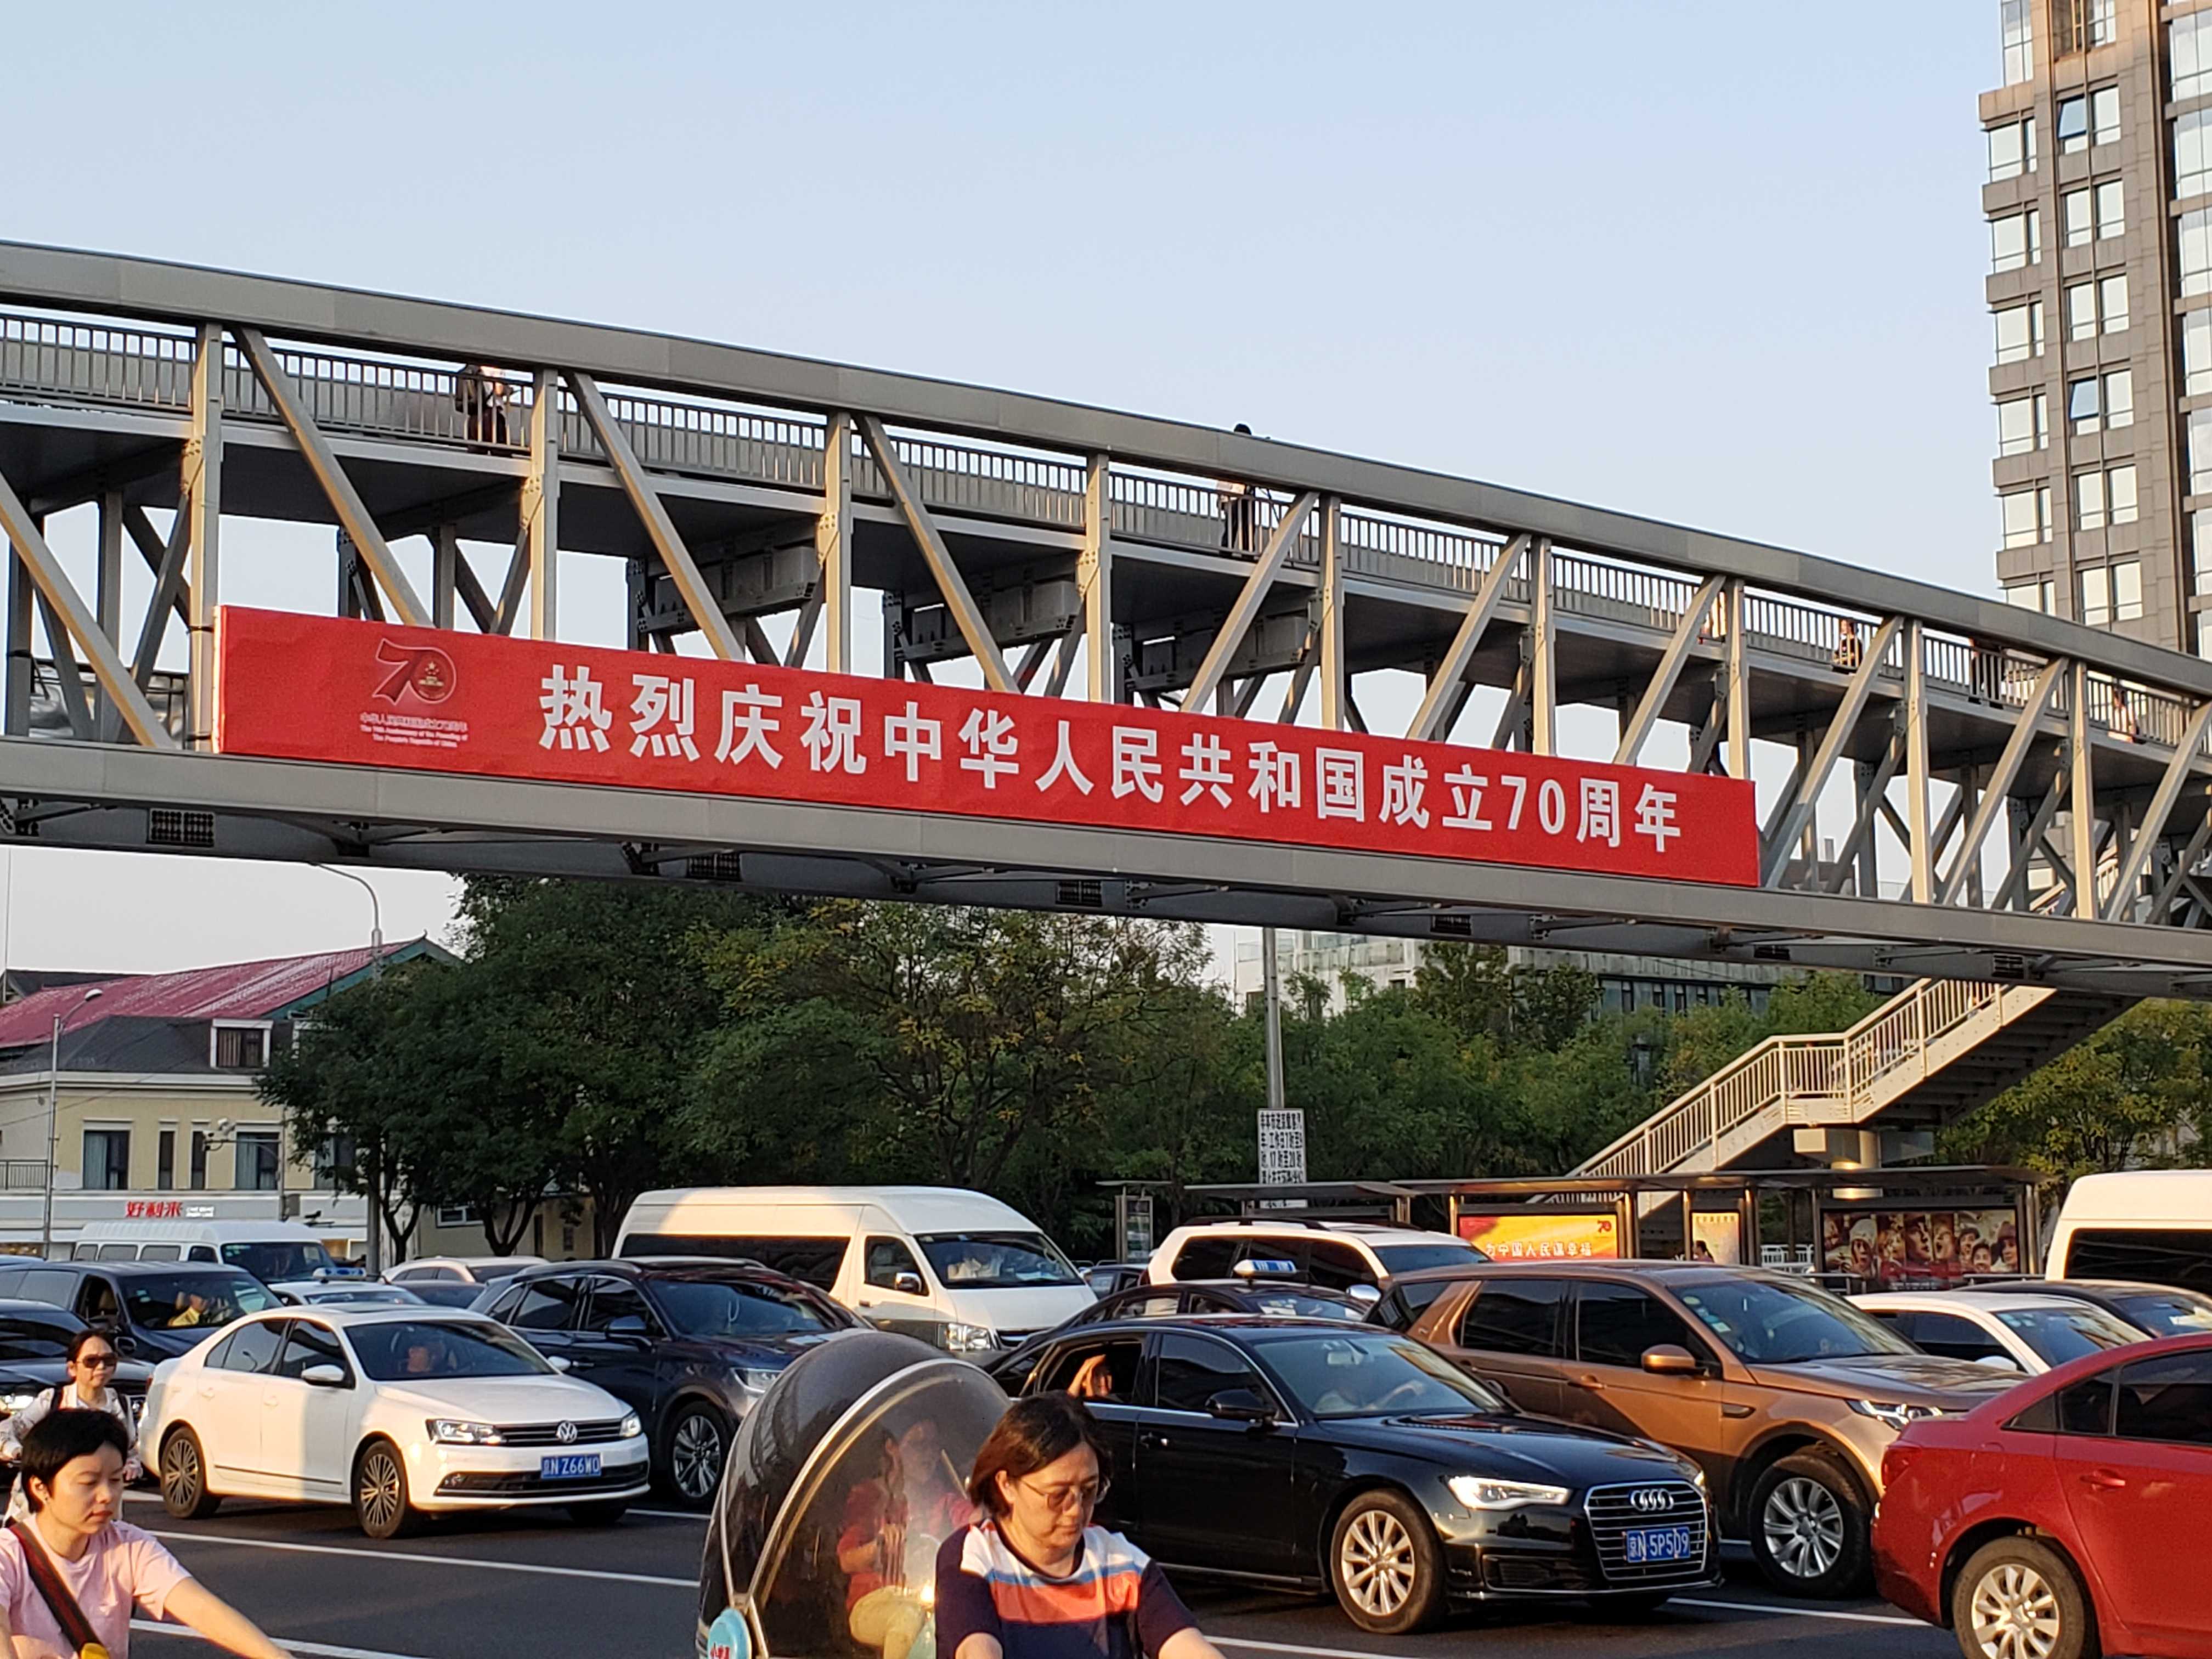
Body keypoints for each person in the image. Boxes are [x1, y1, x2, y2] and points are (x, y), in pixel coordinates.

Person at [936, 1395, 1223, 1659]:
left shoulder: (1123, 1565)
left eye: (1089, 1491)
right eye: (1057, 1495)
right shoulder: (974, 1557)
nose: (1076, 1510)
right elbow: (976, 1649)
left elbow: (1189, 1647)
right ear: (1007, 1485)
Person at [0, 1410, 287, 1659]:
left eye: (115, 1480)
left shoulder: (129, 1546)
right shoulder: (9, 1554)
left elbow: (201, 1609)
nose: (107, 1496)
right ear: (40, 1488)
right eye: (88, 1483)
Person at [840, 1420, 970, 1659]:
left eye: (934, 1447)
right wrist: (878, 1545)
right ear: (893, 1447)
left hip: (922, 1598)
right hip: (872, 1604)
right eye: (919, 1445)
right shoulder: (867, 1497)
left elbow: (968, 1517)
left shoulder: (939, 1494)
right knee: (908, 1618)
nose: (928, 1455)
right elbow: (846, 1560)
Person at [0, 1333, 140, 1514]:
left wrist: (131, 1466)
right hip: (44, 1507)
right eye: (91, 1361)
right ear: (72, 1368)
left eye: (109, 1360)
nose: (101, 1367)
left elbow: (131, 1450)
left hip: (100, 1508)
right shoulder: (52, 1401)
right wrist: (17, 1452)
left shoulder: (121, 1404)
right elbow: (6, 1430)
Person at [1217, 425, 1257, 554]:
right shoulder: (1233, 452)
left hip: (1243, 493)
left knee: (1247, 526)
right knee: (1234, 524)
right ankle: (1230, 551)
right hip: (1233, 494)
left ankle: (1246, 551)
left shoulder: (1237, 452)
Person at [453, 363, 511, 446]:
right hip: (491, 413)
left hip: (475, 415)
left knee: (477, 449)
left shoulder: (471, 370)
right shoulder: (495, 370)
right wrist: (506, 390)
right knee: (499, 449)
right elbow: (499, 390)